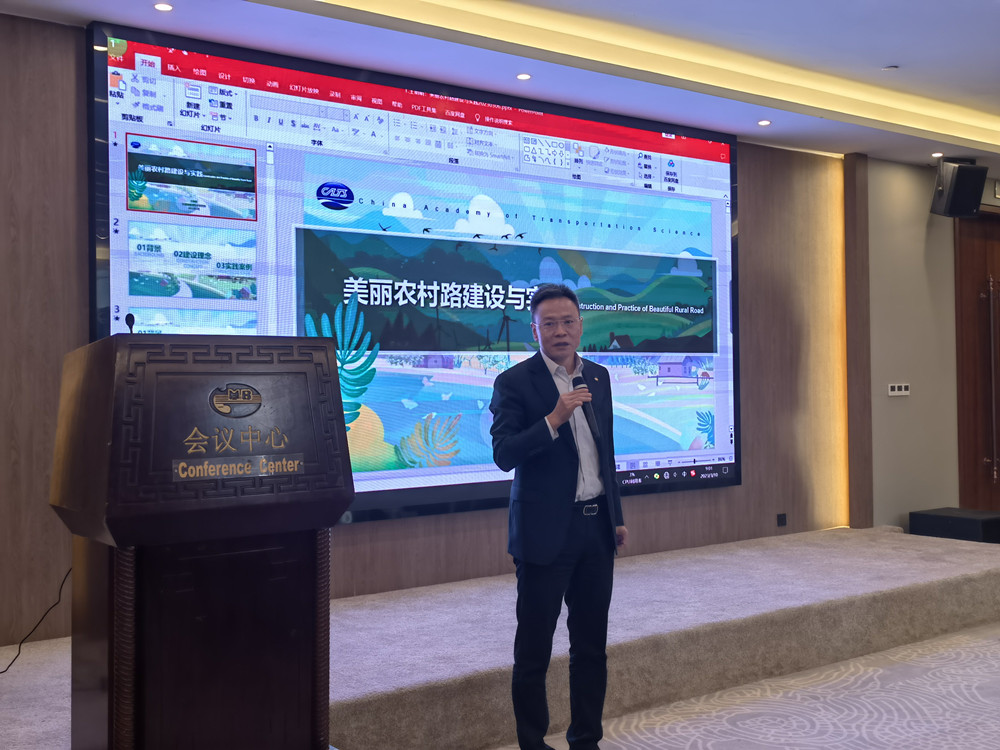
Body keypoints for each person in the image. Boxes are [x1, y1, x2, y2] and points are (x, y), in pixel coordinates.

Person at [489, 283, 628, 750]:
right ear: (535, 330)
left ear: (581, 326)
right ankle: (533, 743)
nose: (560, 331)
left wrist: (615, 516)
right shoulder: (514, 382)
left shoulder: (598, 377)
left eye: (568, 322)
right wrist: (552, 419)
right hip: (544, 533)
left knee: (591, 646)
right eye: (549, 324)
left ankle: (586, 739)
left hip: (595, 528)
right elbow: (504, 454)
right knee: (534, 651)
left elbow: (605, 455)